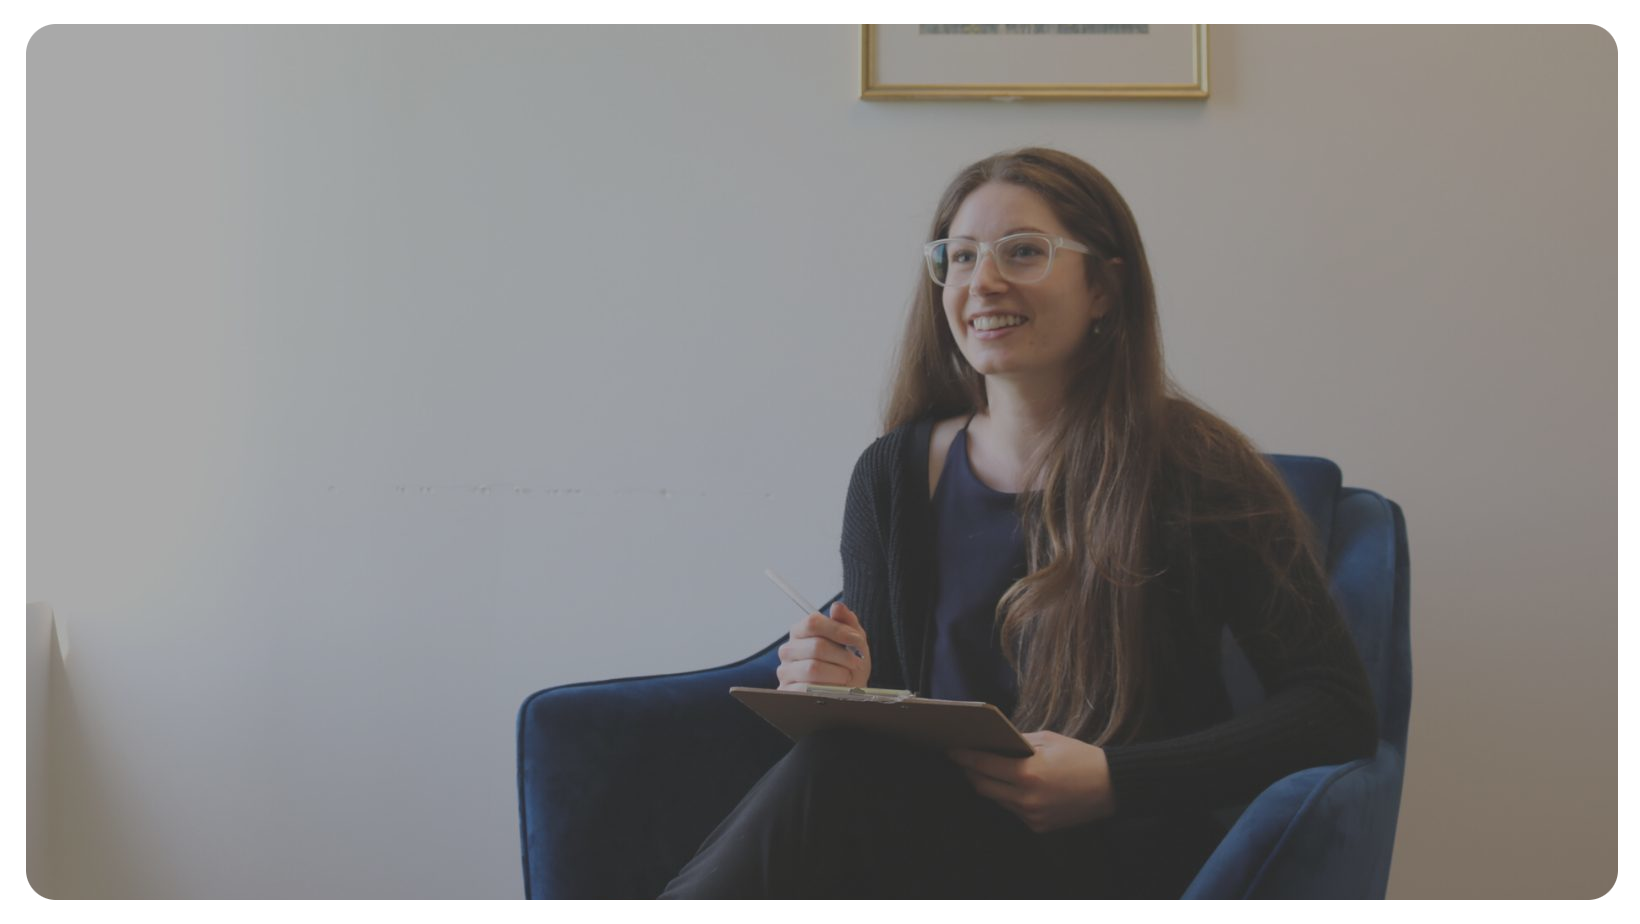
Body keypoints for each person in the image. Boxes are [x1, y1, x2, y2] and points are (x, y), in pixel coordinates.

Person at [658, 146, 1380, 899]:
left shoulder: (1196, 467)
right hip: (931, 845)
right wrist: (839, 681)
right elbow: (889, 718)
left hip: (1126, 852)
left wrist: (1113, 779)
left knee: (833, 781)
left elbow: (1335, 709)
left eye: (1024, 252)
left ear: (1104, 286)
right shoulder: (894, 475)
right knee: (835, 765)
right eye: (960, 256)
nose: (983, 281)